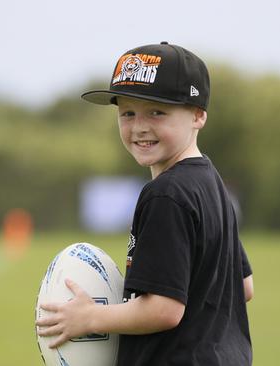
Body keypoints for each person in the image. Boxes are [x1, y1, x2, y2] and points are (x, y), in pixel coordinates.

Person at [36, 41, 254, 365]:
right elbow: (244, 286)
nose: (139, 127)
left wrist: (90, 318)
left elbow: (164, 310)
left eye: (157, 112)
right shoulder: (212, 184)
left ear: (198, 114)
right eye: (127, 113)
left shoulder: (166, 194)